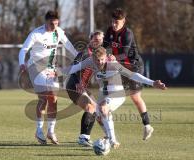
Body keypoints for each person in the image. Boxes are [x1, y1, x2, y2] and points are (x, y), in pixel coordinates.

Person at [60, 47, 166, 148]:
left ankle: (112, 140)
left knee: (103, 108)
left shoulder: (113, 64)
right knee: (98, 115)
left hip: (117, 93)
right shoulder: (89, 61)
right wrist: (57, 72)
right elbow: (74, 68)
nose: (100, 62)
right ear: (93, 58)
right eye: (97, 60)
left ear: (106, 57)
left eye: (102, 59)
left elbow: (132, 75)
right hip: (104, 94)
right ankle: (108, 138)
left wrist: (152, 83)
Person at [18, 10, 78, 145]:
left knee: (53, 98)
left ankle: (50, 131)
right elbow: (23, 50)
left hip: (51, 68)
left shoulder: (58, 32)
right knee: (46, 96)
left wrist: (79, 57)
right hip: (36, 67)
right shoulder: (36, 33)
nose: (54, 26)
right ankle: (39, 130)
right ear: (46, 21)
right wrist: (22, 63)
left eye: (56, 23)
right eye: (51, 23)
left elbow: (69, 46)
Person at [103, 8, 154, 140]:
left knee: (135, 97)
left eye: (117, 22)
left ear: (123, 21)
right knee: (110, 93)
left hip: (133, 66)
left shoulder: (127, 34)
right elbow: (104, 47)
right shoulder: (109, 31)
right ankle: (107, 128)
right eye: (113, 22)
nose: (114, 25)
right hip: (119, 66)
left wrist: (113, 57)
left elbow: (125, 54)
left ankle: (147, 126)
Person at [66, 31, 104, 147]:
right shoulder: (84, 53)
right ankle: (83, 138)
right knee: (90, 107)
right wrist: (78, 82)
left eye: (100, 40)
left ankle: (109, 136)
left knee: (98, 111)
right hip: (74, 85)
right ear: (90, 39)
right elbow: (74, 68)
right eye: (95, 39)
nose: (97, 42)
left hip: (83, 87)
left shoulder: (99, 55)